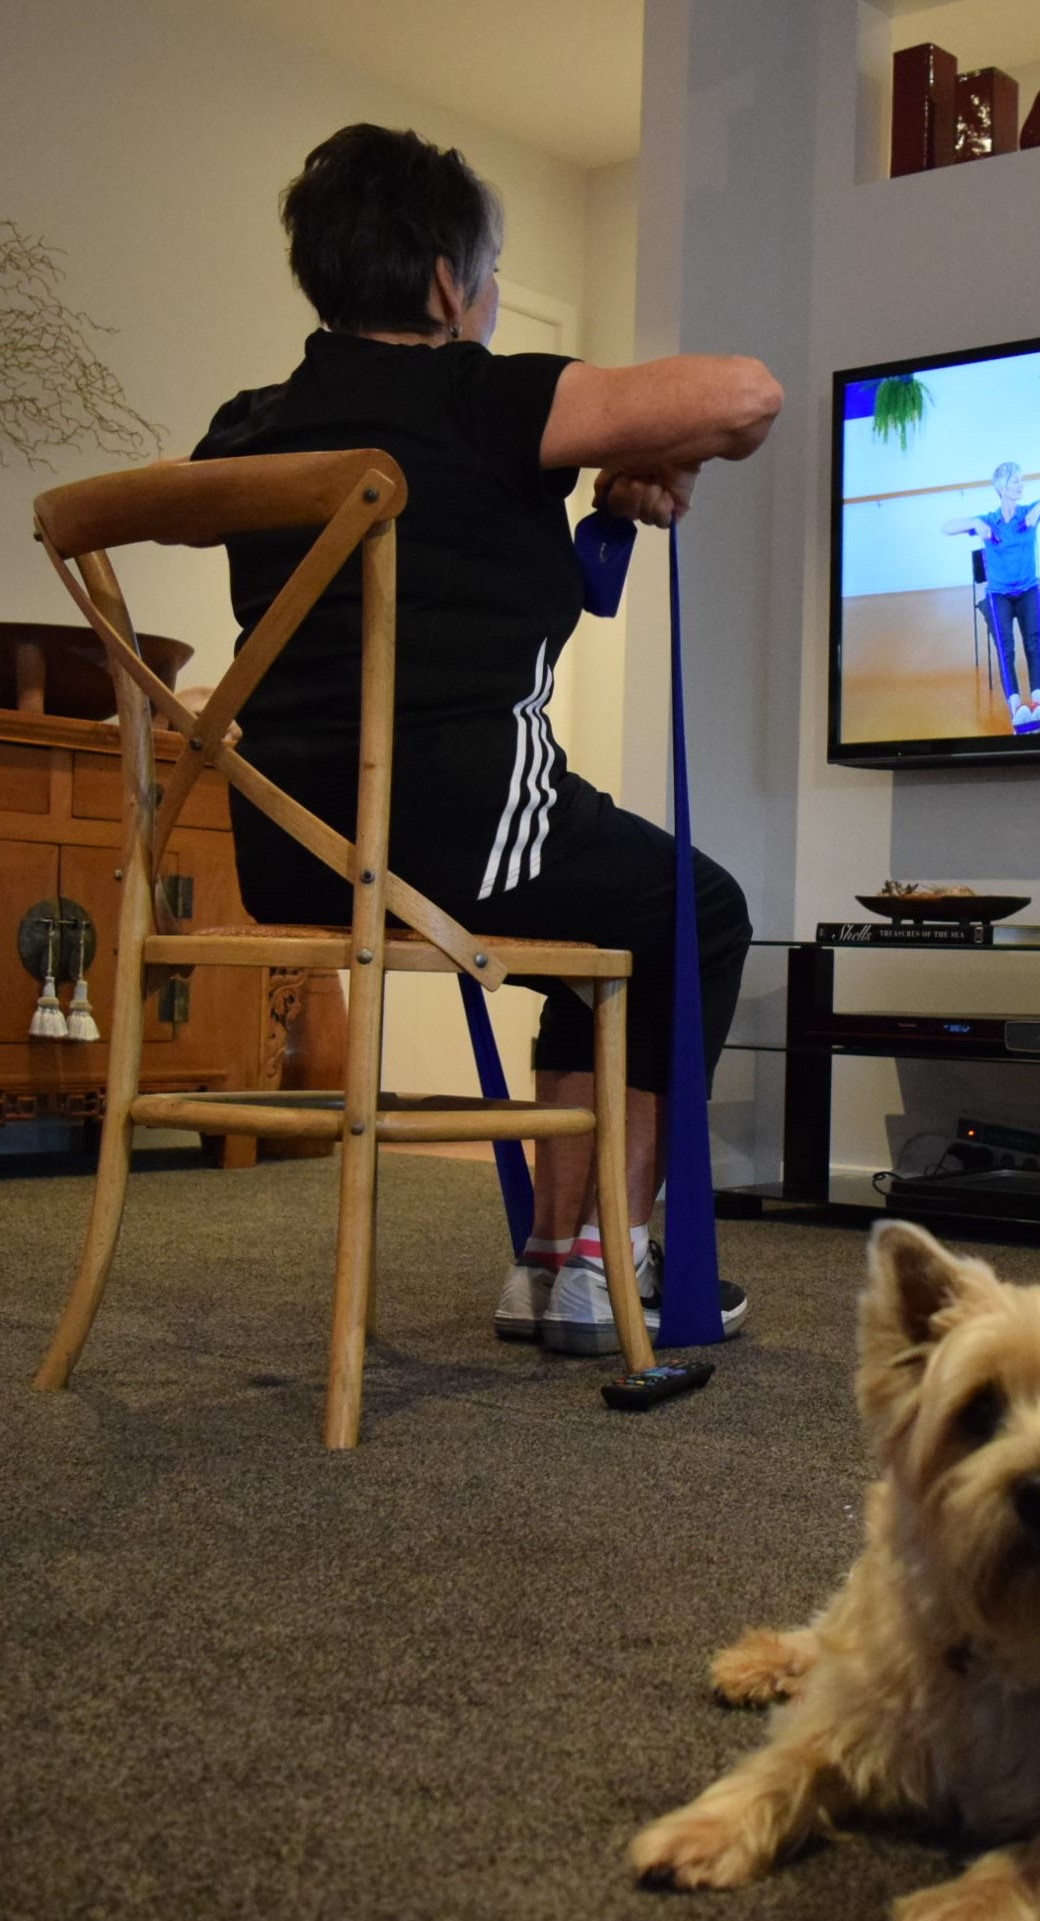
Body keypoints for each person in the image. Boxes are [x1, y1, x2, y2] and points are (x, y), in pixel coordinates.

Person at [192, 124, 783, 1355]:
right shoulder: (481, 393)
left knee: (605, 916)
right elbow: (746, 394)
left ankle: (553, 1260)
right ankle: (610, 1257)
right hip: (460, 834)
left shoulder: (244, 429)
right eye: (493, 271)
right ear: (449, 283)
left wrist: (616, 464)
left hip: (292, 849)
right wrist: (636, 440)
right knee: (696, 909)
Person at [942, 463, 1040, 732]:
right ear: (1001, 488)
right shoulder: (988, 520)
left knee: (1034, 645)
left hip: (1028, 591)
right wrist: (975, 523)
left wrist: (1039, 508)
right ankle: (1017, 711)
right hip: (998, 596)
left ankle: (1038, 706)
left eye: (1021, 480)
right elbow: (946, 527)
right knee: (1006, 650)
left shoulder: (1028, 512)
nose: (1021, 485)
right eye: (1015, 482)